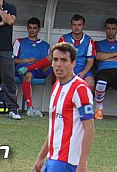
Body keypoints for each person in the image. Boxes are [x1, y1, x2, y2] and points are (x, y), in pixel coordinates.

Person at [33, 42, 94, 172]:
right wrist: (41, 157)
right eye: (55, 59)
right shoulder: (57, 86)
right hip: (53, 159)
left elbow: (89, 128)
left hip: (68, 161)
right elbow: (56, 129)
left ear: (73, 63)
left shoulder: (80, 89)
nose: (58, 64)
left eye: (64, 60)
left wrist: (82, 163)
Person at [19, 14, 96, 89]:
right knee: (53, 56)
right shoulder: (64, 39)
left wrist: (83, 73)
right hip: (67, 67)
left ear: (83, 26)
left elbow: (90, 61)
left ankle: (88, 102)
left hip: (82, 69)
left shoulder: (89, 40)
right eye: (74, 25)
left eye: (79, 25)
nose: (76, 27)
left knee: (91, 83)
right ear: (71, 25)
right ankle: (29, 68)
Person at [13, 17, 51, 117]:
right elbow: (11, 60)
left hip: (39, 70)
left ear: (39, 29)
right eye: (30, 28)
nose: (32, 30)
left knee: (54, 58)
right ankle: (30, 107)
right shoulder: (19, 42)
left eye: (34, 28)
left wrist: (39, 63)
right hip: (22, 69)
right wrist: (23, 60)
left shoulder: (45, 45)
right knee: (27, 73)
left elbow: (49, 61)